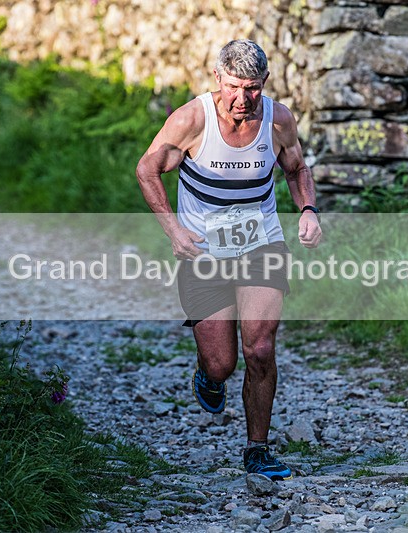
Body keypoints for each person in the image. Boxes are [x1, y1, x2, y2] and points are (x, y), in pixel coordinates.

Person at [136, 39, 321, 480]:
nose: (243, 98)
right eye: (234, 86)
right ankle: (209, 374)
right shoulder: (191, 120)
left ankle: (258, 449)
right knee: (222, 362)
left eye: (253, 88)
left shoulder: (278, 119)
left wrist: (308, 210)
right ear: (217, 78)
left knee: (260, 348)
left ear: (265, 82)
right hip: (204, 252)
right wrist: (174, 230)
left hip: (262, 244)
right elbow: (147, 170)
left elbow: (296, 167)